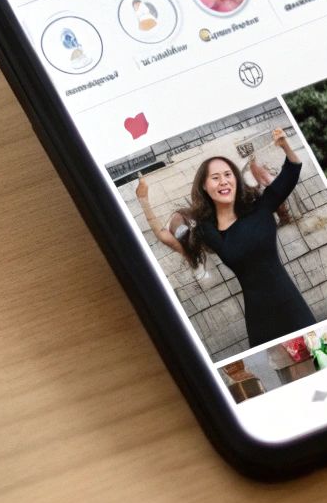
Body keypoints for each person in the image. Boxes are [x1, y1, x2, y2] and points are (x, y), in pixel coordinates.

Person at [134, 129, 313, 346]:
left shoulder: (260, 208)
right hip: (259, 318)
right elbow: (165, 236)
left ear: (236, 179)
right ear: (204, 186)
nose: (224, 182)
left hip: (291, 305)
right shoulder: (207, 230)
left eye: (228, 175)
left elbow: (293, 169)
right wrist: (143, 199)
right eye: (215, 178)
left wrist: (284, 145)